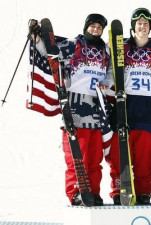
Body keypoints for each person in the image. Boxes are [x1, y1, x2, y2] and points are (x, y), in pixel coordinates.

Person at [29, 14, 114, 206]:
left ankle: (93, 192)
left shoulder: (105, 51)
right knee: (77, 153)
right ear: (86, 27)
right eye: (92, 26)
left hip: (97, 105)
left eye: (99, 27)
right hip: (75, 103)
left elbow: (110, 73)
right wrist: (37, 39)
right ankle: (76, 192)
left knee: (94, 156)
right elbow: (51, 53)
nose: (96, 30)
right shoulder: (74, 44)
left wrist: (107, 83)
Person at [105, 8, 151, 205]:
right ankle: (118, 189)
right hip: (125, 102)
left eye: (146, 23)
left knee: (145, 155)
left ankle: (143, 191)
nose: (142, 26)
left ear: (150, 27)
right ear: (133, 26)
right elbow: (110, 67)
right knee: (119, 151)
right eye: (139, 23)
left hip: (149, 104)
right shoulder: (122, 47)